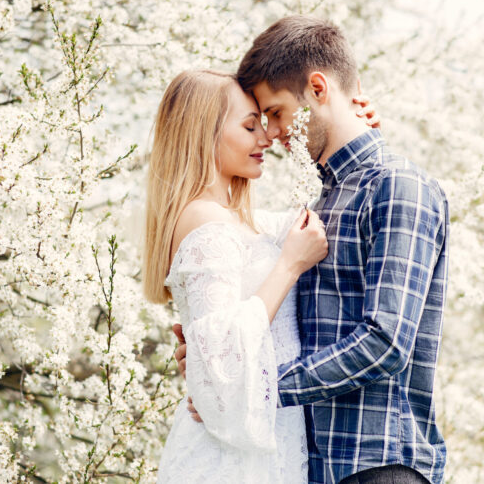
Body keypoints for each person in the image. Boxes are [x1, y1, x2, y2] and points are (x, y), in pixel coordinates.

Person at [176, 16, 449, 484]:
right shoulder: (317, 206)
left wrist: (256, 387)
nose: (274, 133)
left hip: (380, 464)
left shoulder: (397, 186)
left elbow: (385, 343)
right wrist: (212, 350)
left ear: (318, 88)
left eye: (278, 113)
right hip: (315, 467)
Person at [143, 69, 379, 483]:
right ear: (204, 134)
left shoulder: (238, 221)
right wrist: (289, 266)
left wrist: (355, 128)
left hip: (271, 445)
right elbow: (221, 358)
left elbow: (316, 219)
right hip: (227, 460)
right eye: (250, 126)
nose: (266, 138)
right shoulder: (203, 221)